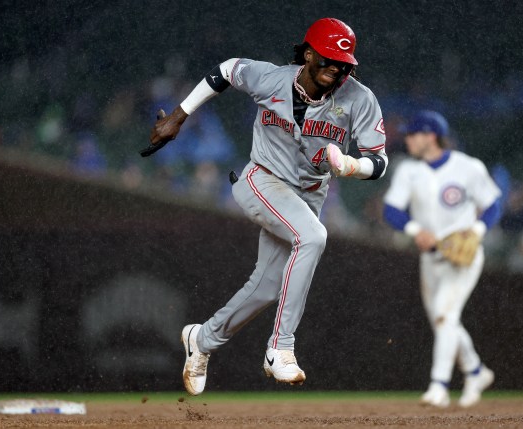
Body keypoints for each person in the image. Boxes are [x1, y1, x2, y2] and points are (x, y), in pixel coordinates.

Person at [147, 18, 387, 396]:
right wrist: (180, 114)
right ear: (308, 54)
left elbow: (380, 161)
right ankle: (281, 348)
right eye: (327, 59)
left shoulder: (359, 98)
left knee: (265, 287)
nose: (335, 68)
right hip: (261, 179)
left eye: (343, 63)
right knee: (313, 238)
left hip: (308, 195)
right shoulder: (271, 78)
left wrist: (352, 166)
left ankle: (202, 339)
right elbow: (226, 70)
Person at [382, 110, 502, 408]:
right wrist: (414, 229)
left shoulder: (467, 167)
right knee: (444, 321)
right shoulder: (409, 171)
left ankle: (439, 386)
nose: (407, 139)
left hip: (463, 257)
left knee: (444, 316)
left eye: (412, 134)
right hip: (430, 260)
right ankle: (475, 371)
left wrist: (476, 229)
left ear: (430, 136)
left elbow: (493, 204)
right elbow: (391, 210)